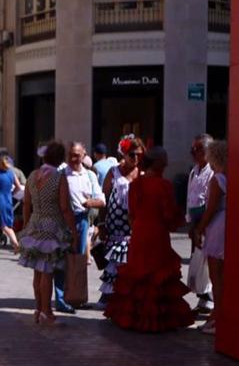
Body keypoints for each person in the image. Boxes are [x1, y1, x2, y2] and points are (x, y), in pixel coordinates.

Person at [105, 147, 195, 332]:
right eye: (164, 161)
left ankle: (133, 317)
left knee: (138, 270)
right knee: (156, 271)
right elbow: (169, 214)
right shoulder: (164, 186)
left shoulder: (136, 184)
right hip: (156, 233)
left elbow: (131, 214)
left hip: (139, 232)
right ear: (158, 163)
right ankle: (155, 318)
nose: (167, 164)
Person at [16, 140, 76, 325]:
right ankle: (46, 311)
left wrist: (26, 225)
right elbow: (65, 208)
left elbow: (27, 204)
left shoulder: (33, 176)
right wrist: (73, 230)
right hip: (52, 228)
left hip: (35, 226)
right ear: (60, 158)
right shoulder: (59, 177)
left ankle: (37, 308)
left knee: (37, 272)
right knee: (47, 271)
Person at [58, 143, 106, 313]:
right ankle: (61, 298)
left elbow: (101, 200)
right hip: (63, 219)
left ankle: (77, 296)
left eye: (77, 155)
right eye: (70, 154)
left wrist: (90, 203)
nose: (73, 159)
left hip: (83, 219)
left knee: (79, 259)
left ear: (84, 155)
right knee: (62, 258)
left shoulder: (90, 176)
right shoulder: (61, 174)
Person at [97, 135, 144, 308]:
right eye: (132, 154)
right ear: (123, 154)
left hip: (134, 225)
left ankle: (127, 296)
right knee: (114, 260)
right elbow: (104, 198)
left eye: (140, 155)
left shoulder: (142, 173)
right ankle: (108, 296)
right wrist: (101, 224)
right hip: (115, 223)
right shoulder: (113, 172)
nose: (136, 158)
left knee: (131, 260)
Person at [193, 140, 228, 335]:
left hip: (217, 227)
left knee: (217, 277)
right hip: (227, 224)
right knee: (222, 276)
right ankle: (217, 315)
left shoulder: (218, 179)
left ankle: (218, 318)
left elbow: (211, 208)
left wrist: (200, 228)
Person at [185, 134, 216, 313]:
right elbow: (190, 198)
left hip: (208, 223)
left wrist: (202, 226)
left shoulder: (213, 171)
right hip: (196, 221)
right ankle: (203, 298)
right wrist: (191, 224)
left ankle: (210, 298)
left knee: (207, 262)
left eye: (198, 149)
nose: (193, 153)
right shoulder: (193, 171)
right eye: (193, 149)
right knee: (197, 260)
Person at [0, 155, 21, 252]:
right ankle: (15, 243)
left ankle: (15, 243)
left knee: (1, 225)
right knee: (8, 226)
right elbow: (18, 187)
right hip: (8, 199)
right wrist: (10, 193)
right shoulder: (11, 174)